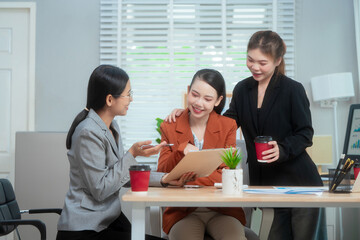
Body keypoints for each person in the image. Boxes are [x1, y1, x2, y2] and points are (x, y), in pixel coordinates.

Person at [165, 31, 327, 240]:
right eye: (250, 60)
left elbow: (305, 133)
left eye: (263, 62)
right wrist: (187, 113)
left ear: (277, 61)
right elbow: (226, 122)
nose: (255, 67)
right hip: (267, 183)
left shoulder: (292, 89)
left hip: (300, 182)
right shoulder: (243, 89)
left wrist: (283, 148)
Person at [56, 65, 195, 240]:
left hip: (108, 219)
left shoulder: (112, 126)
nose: (131, 99)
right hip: (86, 227)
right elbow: (101, 189)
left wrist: (165, 179)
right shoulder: (87, 133)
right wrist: (132, 154)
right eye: (128, 94)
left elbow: (119, 175)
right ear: (109, 100)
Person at [157, 69, 247, 240]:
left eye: (207, 99)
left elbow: (227, 176)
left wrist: (184, 178)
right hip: (182, 212)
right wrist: (182, 149)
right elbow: (163, 173)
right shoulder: (169, 126)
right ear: (189, 90)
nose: (199, 103)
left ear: (218, 100)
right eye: (195, 94)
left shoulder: (228, 126)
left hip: (223, 211)